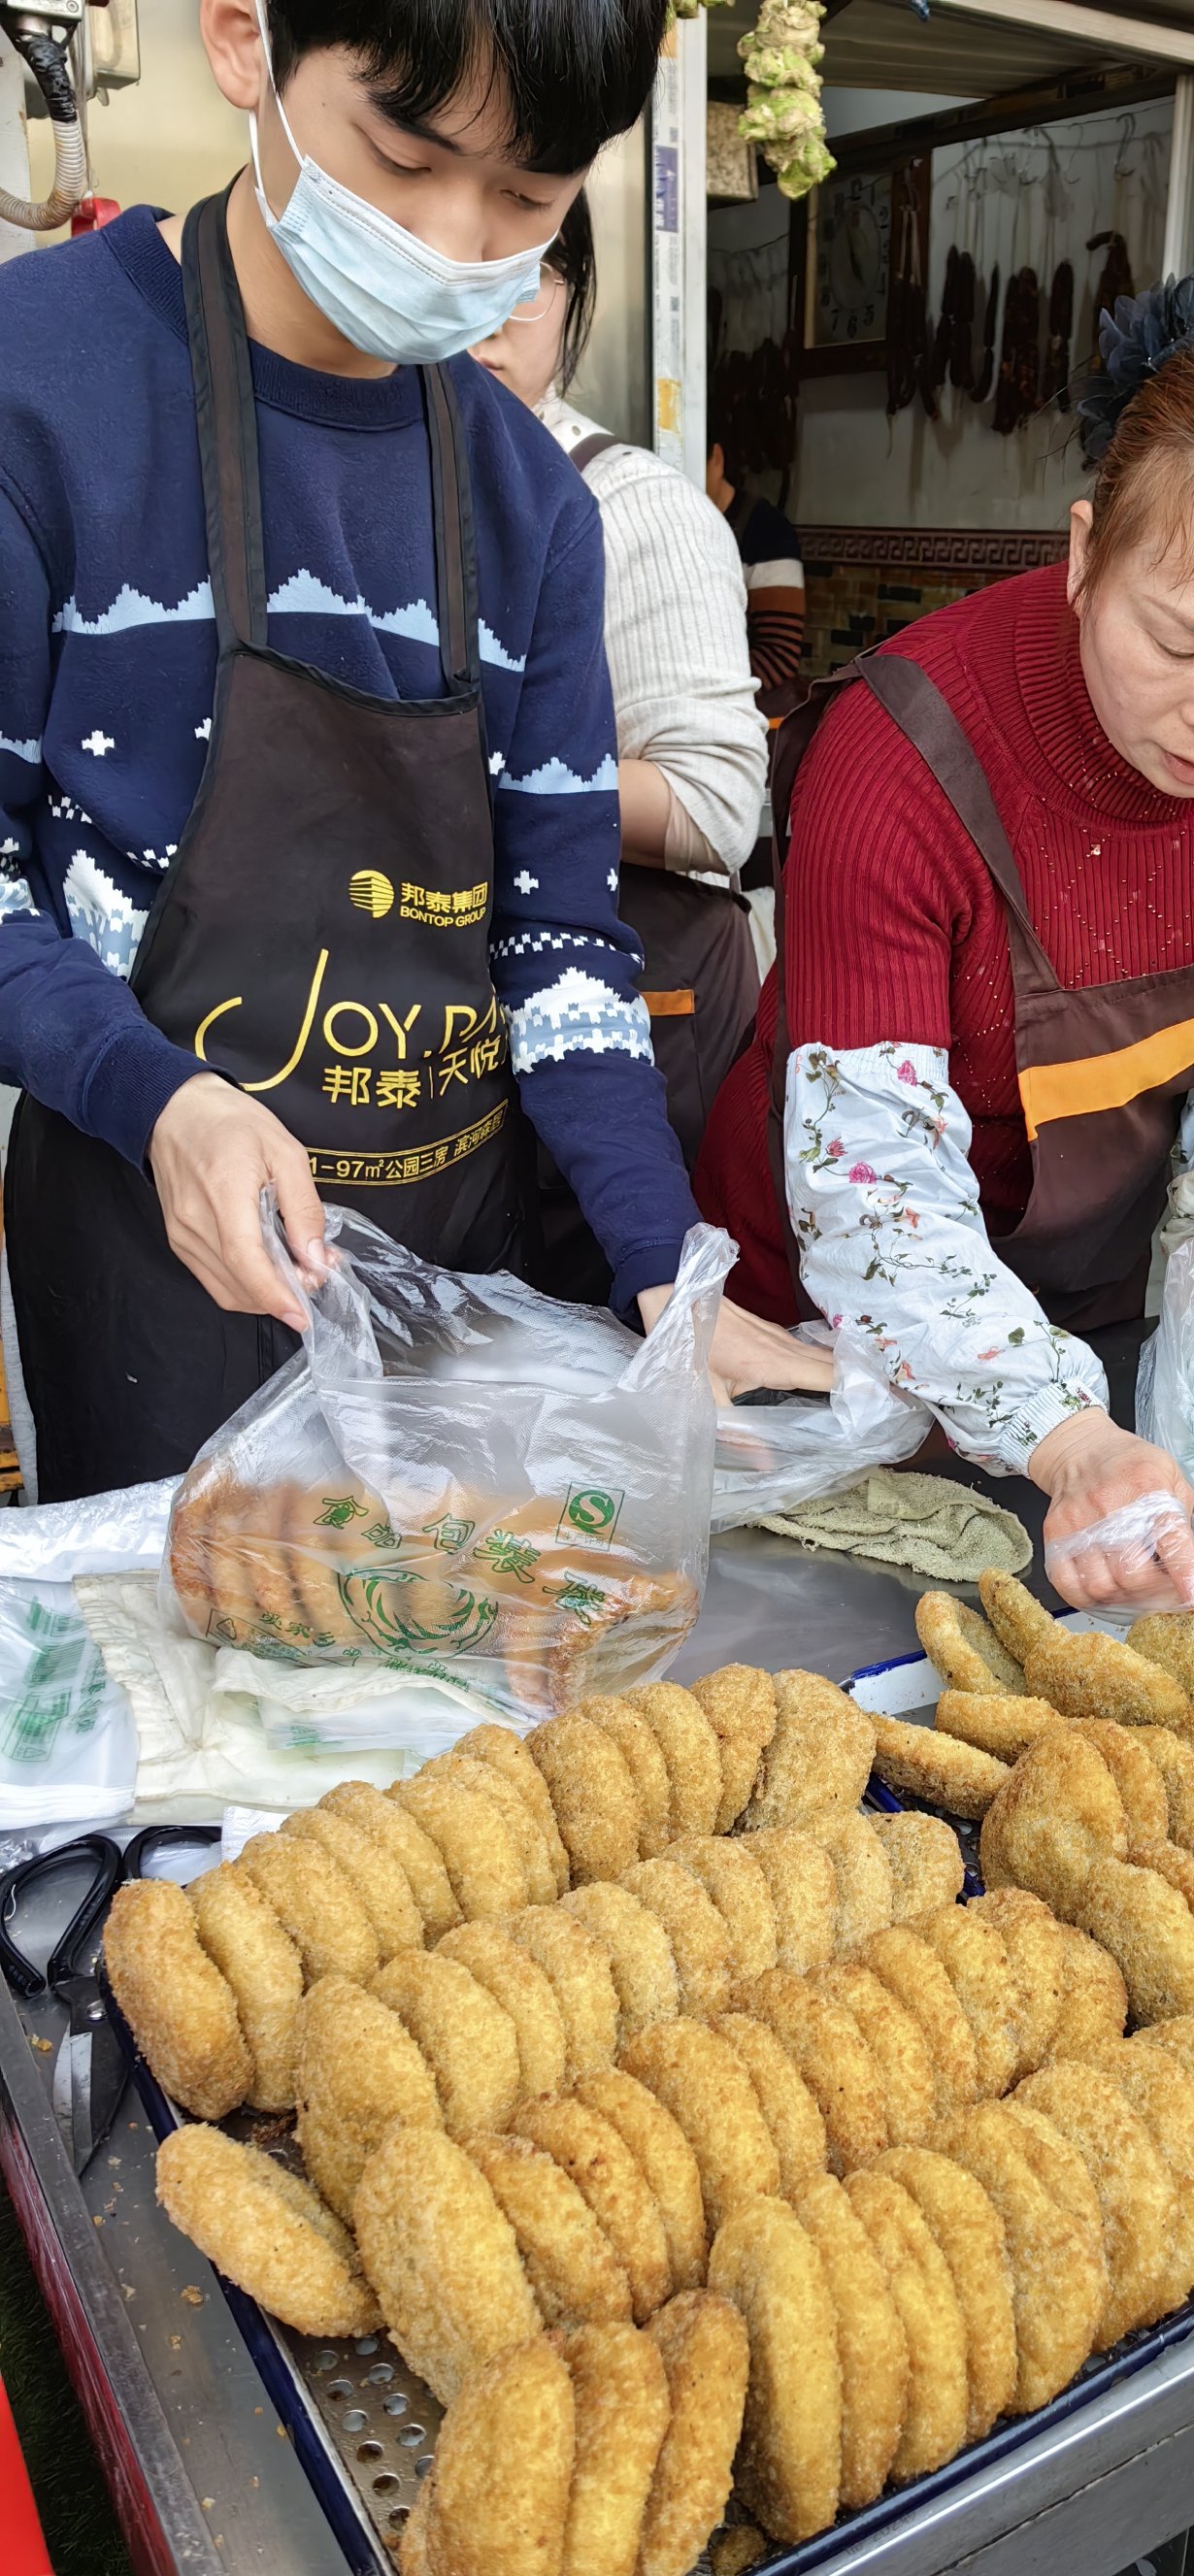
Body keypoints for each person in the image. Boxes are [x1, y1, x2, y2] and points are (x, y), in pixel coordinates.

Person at [0, 0, 825, 1501]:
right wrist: (155, 1094)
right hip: (148, 1252)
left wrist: (663, 1273)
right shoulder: (37, 388)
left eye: (529, 194)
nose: (458, 243)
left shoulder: (532, 507)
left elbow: (560, 934)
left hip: (454, 1268)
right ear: (246, 41)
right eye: (404, 156)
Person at [695, 271, 1194, 1611]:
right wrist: (1067, 1437)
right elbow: (874, 1183)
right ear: (1084, 554)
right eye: (1174, 639)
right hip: (821, 1347)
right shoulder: (900, 755)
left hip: (1086, 1323)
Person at [472, 193, 766, 1291]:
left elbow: (717, 806)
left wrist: (470, 778)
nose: (493, 312)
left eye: (534, 273)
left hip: (640, 1022)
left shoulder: (632, 508)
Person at [705, 431, 806, 714]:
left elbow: (779, 655)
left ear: (717, 459)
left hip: (750, 717)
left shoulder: (767, 533)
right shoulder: (669, 527)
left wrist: (697, 690)